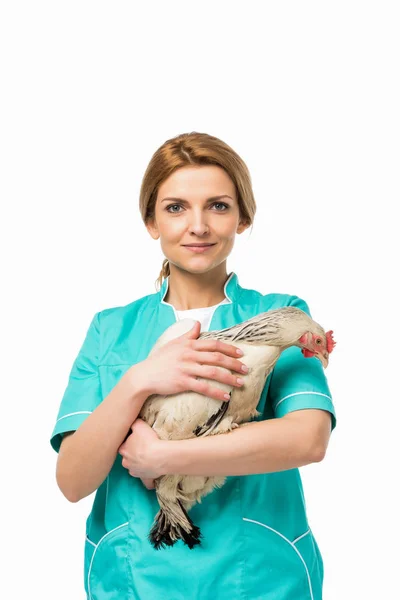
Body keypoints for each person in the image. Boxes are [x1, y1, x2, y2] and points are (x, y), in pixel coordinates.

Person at [50, 131, 336, 600]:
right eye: (176, 207)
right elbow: (73, 481)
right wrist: (138, 382)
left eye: (219, 206)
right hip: (136, 577)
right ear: (151, 222)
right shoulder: (111, 328)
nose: (198, 226)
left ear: (243, 218)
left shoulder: (284, 314)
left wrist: (164, 457)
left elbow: (308, 439)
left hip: (260, 577)